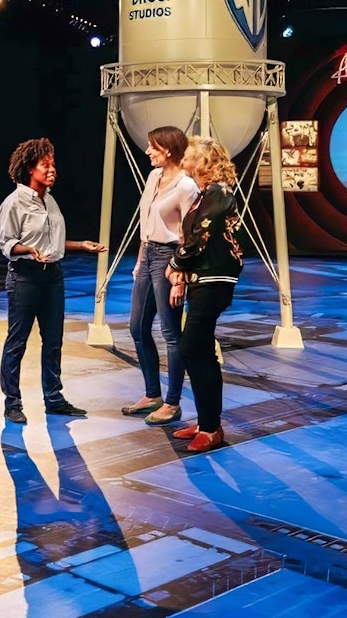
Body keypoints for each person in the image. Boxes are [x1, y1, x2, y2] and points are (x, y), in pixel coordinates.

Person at [0, 137, 106, 424]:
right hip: (25, 277)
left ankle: (54, 398)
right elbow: (7, 243)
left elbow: (51, 243)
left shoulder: (50, 200)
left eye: (53, 164)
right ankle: (12, 402)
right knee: (17, 342)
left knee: (54, 341)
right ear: (29, 169)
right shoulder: (14, 203)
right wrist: (28, 250)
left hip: (53, 277)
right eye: (45, 165)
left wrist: (81, 245)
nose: (52, 169)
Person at [162, 137, 243, 453]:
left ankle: (211, 428)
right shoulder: (205, 195)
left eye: (189, 154)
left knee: (192, 347)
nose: (183, 158)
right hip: (203, 279)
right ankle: (208, 422)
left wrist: (175, 263)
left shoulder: (218, 193)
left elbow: (201, 233)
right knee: (199, 349)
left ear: (204, 160)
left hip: (215, 279)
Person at [121, 126, 199, 426]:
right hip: (149, 254)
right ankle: (152, 394)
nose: (147, 151)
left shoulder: (186, 186)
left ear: (168, 149)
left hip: (170, 258)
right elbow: (146, 221)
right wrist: (140, 260)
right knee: (137, 327)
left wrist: (180, 274)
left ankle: (172, 403)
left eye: (152, 147)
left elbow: (188, 235)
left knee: (170, 332)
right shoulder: (153, 177)